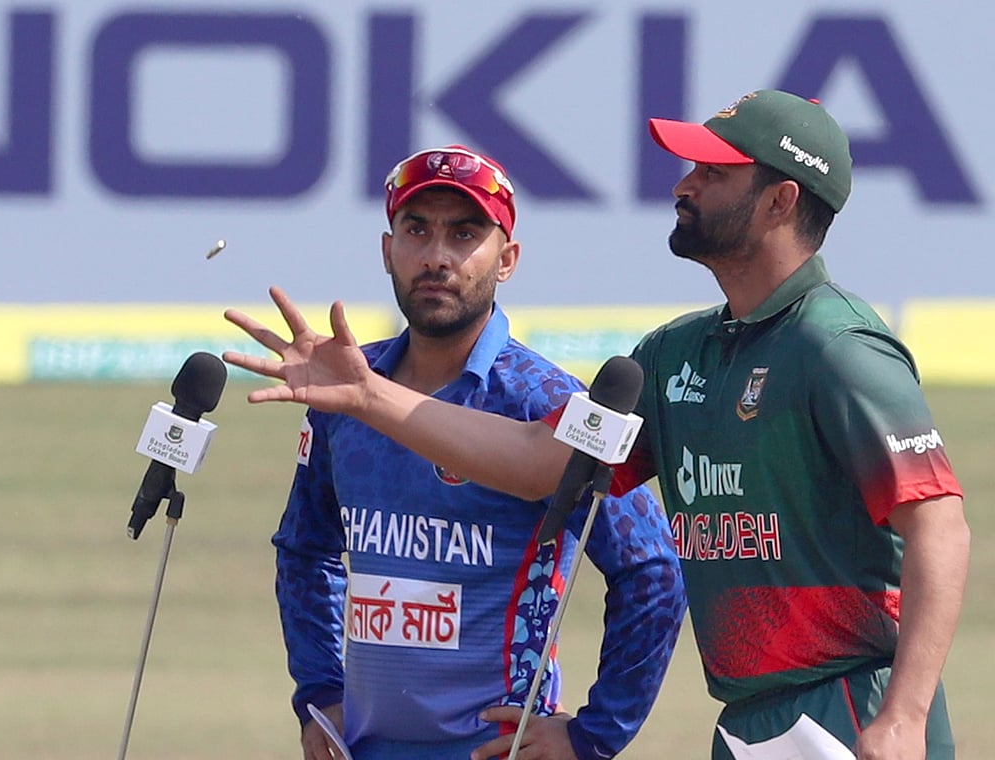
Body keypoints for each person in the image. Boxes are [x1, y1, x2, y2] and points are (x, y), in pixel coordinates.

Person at [223, 92, 970, 760]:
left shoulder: (837, 347)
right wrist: (368, 398)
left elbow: (939, 525)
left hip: (853, 710)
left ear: (779, 201)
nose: (684, 185)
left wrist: (903, 717)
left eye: (712, 174)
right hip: (750, 718)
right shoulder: (675, 352)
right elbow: (541, 460)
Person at [265, 145, 685, 760]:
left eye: (464, 234)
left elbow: (653, 571)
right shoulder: (347, 392)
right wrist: (319, 693)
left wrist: (593, 736)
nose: (437, 257)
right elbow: (306, 550)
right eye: (417, 230)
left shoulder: (544, 401)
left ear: (507, 259)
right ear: (388, 250)